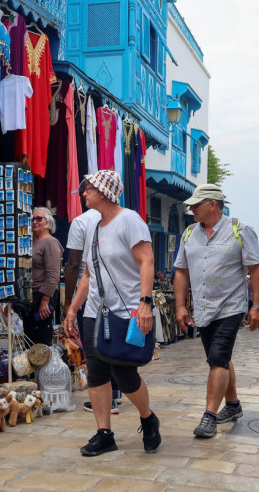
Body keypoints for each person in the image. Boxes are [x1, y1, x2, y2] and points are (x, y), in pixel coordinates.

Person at [63, 169, 161, 456]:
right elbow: (88, 275)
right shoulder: (93, 227)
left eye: (88, 188)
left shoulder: (129, 220)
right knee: (96, 371)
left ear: (104, 191)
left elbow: (147, 261)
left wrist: (145, 303)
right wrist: (73, 309)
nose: (83, 193)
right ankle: (104, 433)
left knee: (124, 373)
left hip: (127, 310)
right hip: (96, 311)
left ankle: (147, 417)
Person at [173, 183, 259, 439]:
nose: (191, 209)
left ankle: (209, 416)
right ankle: (233, 405)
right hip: (202, 309)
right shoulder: (189, 233)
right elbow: (181, 272)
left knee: (217, 359)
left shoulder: (240, 230)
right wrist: (181, 305)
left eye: (196, 204)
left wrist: (257, 306)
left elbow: (256, 271)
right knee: (220, 359)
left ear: (212, 204)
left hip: (230, 307)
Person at [64, 179, 120, 414]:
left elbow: (75, 264)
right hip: (116, 290)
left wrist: (69, 302)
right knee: (112, 342)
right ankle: (115, 393)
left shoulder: (81, 222)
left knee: (95, 348)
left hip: (91, 291)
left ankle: (107, 399)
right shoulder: (121, 218)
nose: (82, 196)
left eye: (85, 191)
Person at [27, 206, 64, 346]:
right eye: (32, 219)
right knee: (30, 342)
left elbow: (53, 275)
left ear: (48, 222)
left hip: (41, 299)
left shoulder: (50, 242)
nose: (34, 222)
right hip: (30, 299)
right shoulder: (31, 242)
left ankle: (43, 369)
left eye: (39, 219)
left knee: (40, 343)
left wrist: (45, 300)